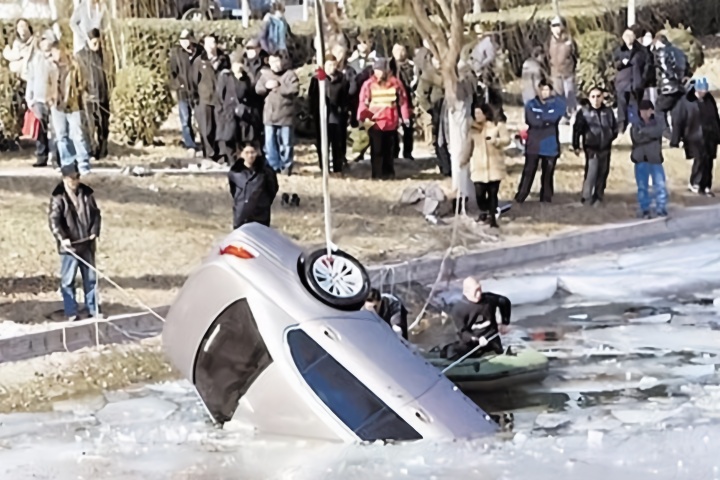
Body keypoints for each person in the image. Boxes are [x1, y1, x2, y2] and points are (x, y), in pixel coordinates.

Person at [48, 162, 102, 321]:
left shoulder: (86, 192)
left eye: (77, 177)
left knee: (91, 279)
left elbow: (96, 214)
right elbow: (54, 221)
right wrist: (62, 238)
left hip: (86, 243)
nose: (75, 181)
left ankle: (93, 309)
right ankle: (71, 311)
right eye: (72, 178)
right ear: (65, 179)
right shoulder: (58, 197)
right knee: (68, 280)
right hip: (70, 247)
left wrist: (94, 232)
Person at [357, 58, 411, 180]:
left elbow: (402, 102)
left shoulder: (396, 84)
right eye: (375, 70)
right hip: (375, 121)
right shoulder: (369, 84)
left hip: (391, 121)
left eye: (380, 70)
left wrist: (405, 117)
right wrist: (361, 117)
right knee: (377, 149)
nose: (378, 73)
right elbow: (363, 102)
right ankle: (377, 174)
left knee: (389, 149)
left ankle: (389, 172)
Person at [515, 80, 566, 203]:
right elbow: (532, 121)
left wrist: (543, 119)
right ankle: (521, 196)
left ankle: (546, 197)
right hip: (534, 144)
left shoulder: (557, 103)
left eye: (547, 90)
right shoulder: (531, 104)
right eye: (543, 90)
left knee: (548, 173)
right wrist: (546, 120)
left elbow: (556, 117)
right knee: (529, 171)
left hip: (551, 144)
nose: (545, 93)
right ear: (538, 90)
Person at [670, 77, 720, 196]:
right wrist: (675, 139)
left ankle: (706, 185)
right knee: (699, 159)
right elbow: (678, 121)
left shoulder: (709, 100)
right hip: (693, 136)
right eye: (701, 91)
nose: (703, 93)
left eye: (705, 91)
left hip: (709, 135)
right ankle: (695, 183)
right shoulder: (686, 101)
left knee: (709, 160)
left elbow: (715, 118)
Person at [49, 42, 92, 174]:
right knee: (62, 136)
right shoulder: (51, 67)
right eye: (52, 52)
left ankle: (83, 165)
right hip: (57, 105)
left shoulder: (74, 66)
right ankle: (68, 165)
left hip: (73, 105)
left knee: (78, 135)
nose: (53, 55)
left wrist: (78, 94)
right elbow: (46, 83)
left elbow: (83, 82)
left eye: (55, 52)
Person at [572, 86, 619, 205]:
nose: (596, 99)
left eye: (598, 96)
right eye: (593, 97)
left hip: (605, 147)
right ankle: (586, 196)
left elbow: (614, 127)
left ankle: (599, 195)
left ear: (603, 97)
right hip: (591, 147)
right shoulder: (583, 112)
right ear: (589, 98)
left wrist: (609, 138)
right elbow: (577, 130)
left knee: (603, 172)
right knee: (591, 172)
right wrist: (576, 145)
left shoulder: (607, 111)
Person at [445, 277, 511, 359]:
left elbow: (504, 301)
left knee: (497, 350)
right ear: (466, 292)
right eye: (476, 291)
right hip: (471, 341)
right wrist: (476, 339)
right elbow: (462, 331)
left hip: (491, 337)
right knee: (453, 353)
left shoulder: (488, 300)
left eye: (480, 289)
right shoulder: (459, 309)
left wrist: (504, 323)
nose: (479, 294)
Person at [468, 103, 511, 228]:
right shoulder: (472, 129)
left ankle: (492, 217)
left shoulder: (497, 126)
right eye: (475, 114)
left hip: (494, 166)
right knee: (479, 194)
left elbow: (507, 139)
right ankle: (484, 210)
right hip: (479, 167)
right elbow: (468, 146)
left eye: (479, 114)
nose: (477, 116)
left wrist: (496, 141)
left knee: (493, 194)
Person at [256, 52, 299, 174]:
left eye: (277, 61)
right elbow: (258, 89)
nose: (275, 65)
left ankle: (286, 166)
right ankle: (273, 166)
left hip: (286, 116)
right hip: (269, 115)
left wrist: (279, 87)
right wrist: (266, 86)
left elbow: (294, 89)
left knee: (286, 144)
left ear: (282, 61)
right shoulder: (266, 75)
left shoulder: (290, 75)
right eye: (272, 62)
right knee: (270, 143)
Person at [309, 54, 351, 174]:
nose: (332, 67)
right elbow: (312, 97)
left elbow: (346, 97)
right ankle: (324, 166)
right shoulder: (318, 79)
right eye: (329, 65)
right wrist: (313, 112)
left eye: (334, 65)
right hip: (321, 115)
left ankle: (338, 166)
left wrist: (344, 111)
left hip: (337, 115)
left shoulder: (342, 79)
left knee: (337, 141)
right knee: (322, 142)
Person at [630, 99, 668, 219]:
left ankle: (661, 207)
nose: (644, 113)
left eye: (647, 110)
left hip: (655, 157)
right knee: (642, 186)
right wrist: (649, 135)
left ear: (652, 111)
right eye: (642, 110)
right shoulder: (636, 124)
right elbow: (636, 138)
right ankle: (644, 208)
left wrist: (644, 133)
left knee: (660, 184)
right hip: (641, 158)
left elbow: (658, 132)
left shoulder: (658, 122)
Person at [25, 29, 57, 168]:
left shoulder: (55, 58)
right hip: (38, 98)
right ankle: (41, 156)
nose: (45, 43)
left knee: (55, 130)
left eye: (47, 39)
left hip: (53, 98)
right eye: (43, 40)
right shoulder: (36, 59)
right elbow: (31, 78)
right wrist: (29, 97)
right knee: (40, 130)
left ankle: (56, 157)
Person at [228, 142, 279, 229]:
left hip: (261, 213)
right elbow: (233, 190)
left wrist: (264, 202)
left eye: (252, 152)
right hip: (241, 213)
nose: (250, 156)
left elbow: (272, 188)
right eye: (247, 153)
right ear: (241, 154)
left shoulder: (266, 172)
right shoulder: (235, 172)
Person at [193, 34, 227, 162]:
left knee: (220, 128)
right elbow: (193, 81)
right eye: (208, 43)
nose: (211, 46)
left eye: (213, 43)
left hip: (220, 99)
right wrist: (195, 98)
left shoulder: (224, 59)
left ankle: (221, 155)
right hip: (204, 98)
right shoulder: (199, 61)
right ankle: (209, 153)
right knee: (207, 129)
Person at [76, 28, 109, 160]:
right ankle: (91, 149)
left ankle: (102, 150)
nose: (96, 46)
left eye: (98, 43)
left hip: (102, 94)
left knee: (103, 124)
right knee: (90, 124)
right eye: (93, 43)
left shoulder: (104, 55)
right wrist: (83, 92)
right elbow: (78, 76)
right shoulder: (80, 56)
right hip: (88, 95)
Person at [3, 18, 36, 149]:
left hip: (31, 79)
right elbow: (10, 57)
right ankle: (15, 134)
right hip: (18, 80)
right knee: (17, 106)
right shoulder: (15, 44)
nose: (22, 29)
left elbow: (29, 60)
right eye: (19, 27)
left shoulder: (34, 42)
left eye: (24, 26)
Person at [416, 56, 450, 176]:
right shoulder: (428, 75)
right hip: (436, 109)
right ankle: (444, 166)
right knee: (439, 140)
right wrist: (429, 109)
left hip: (451, 108)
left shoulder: (451, 72)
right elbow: (421, 94)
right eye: (437, 60)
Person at [169, 28, 202, 153]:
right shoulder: (176, 53)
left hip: (197, 91)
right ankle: (190, 144)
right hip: (183, 91)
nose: (184, 42)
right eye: (182, 40)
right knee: (185, 119)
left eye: (186, 39)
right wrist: (178, 85)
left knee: (199, 119)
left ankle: (202, 142)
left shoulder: (199, 52)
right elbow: (172, 72)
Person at [613, 28, 652, 132]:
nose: (628, 39)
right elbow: (615, 64)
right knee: (622, 106)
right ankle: (621, 128)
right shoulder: (620, 50)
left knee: (635, 106)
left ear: (634, 37)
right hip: (622, 82)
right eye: (626, 36)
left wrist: (643, 79)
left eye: (630, 36)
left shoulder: (641, 50)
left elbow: (648, 65)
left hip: (637, 82)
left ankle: (636, 128)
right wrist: (621, 63)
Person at [653, 34, 689, 128]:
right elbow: (687, 66)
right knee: (675, 110)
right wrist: (684, 77)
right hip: (680, 86)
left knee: (659, 109)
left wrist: (672, 76)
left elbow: (665, 67)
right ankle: (678, 133)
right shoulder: (679, 52)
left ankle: (666, 132)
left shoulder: (662, 52)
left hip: (668, 86)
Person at [547, 16, 578, 123]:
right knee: (558, 95)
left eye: (558, 25)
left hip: (568, 72)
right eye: (553, 26)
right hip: (555, 73)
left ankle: (573, 114)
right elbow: (547, 55)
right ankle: (563, 115)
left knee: (570, 93)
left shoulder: (569, 40)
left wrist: (573, 67)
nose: (556, 28)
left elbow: (575, 54)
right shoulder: (549, 41)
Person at [390, 43, 416, 161]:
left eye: (401, 50)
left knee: (408, 126)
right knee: (393, 126)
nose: (399, 54)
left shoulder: (410, 66)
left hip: (407, 99)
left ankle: (408, 152)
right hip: (392, 99)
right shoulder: (390, 65)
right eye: (396, 51)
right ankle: (394, 151)